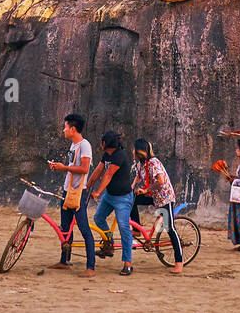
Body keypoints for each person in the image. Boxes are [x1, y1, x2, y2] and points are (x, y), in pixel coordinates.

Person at [47, 113, 95, 277]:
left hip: (78, 193)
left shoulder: (84, 145)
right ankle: (64, 260)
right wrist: (60, 167)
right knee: (66, 228)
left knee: (84, 228)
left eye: (66, 127)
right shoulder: (74, 146)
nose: (64, 130)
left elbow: (85, 169)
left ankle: (91, 267)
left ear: (73, 129)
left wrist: (64, 168)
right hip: (68, 190)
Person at [131, 138, 184, 274]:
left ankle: (179, 262)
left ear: (139, 151)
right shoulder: (140, 164)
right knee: (131, 199)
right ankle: (136, 229)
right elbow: (138, 177)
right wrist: (132, 186)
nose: (132, 151)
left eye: (134, 149)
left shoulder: (154, 163)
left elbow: (161, 181)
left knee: (170, 228)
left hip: (165, 198)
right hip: (154, 196)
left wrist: (146, 190)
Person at [89, 131, 136, 276]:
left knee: (123, 228)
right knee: (98, 218)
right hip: (110, 196)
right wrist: (88, 186)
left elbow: (108, 174)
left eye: (101, 141)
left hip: (123, 198)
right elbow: (99, 170)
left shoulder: (119, 155)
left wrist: (97, 192)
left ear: (105, 143)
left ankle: (127, 263)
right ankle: (109, 245)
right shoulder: (107, 155)